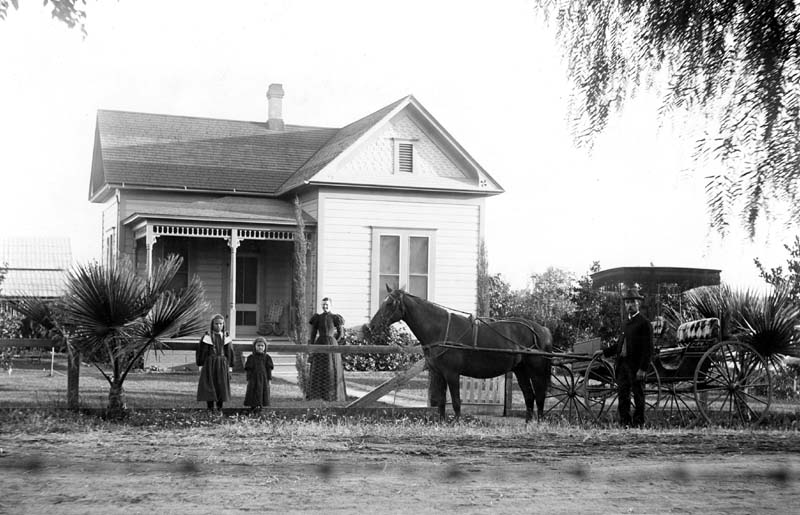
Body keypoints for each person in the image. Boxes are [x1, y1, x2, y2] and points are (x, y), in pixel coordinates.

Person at [598, 287, 654, 427]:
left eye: (632, 302)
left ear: (638, 304)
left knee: (638, 395)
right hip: (622, 365)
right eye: (627, 302)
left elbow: (648, 348)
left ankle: (639, 424)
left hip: (636, 366)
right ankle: (625, 423)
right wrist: (604, 352)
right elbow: (619, 345)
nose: (629, 305)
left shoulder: (644, 323)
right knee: (623, 395)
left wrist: (642, 369)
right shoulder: (625, 323)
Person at [307, 297, 345, 401]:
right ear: (321, 305)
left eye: (327, 305)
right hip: (320, 344)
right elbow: (313, 333)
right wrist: (312, 345)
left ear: (331, 305)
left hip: (332, 345)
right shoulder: (317, 318)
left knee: (331, 367)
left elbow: (341, 333)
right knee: (319, 367)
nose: (325, 306)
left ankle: (332, 395)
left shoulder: (335, 317)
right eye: (323, 305)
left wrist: (333, 341)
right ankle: (318, 395)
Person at [196, 313, 234, 412]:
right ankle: (210, 408)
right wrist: (201, 364)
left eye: (221, 324)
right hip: (210, 364)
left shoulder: (226, 336)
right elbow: (202, 351)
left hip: (222, 364)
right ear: (212, 324)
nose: (219, 326)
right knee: (210, 384)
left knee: (221, 385)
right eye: (216, 324)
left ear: (223, 325)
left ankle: (219, 408)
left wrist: (230, 367)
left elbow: (229, 352)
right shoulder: (207, 336)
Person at [244, 336, 274, 412]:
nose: (260, 347)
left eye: (262, 346)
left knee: (262, 392)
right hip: (253, 379)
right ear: (255, 346)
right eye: (258, 345)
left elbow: (269, 369)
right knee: (253, 392)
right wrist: (248, 379)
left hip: (263, 378)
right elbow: (249, 370)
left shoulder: (267, 357)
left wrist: (269, 380)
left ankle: (260, 408)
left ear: (265, 347)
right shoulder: (251, 357)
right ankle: (252, 408)